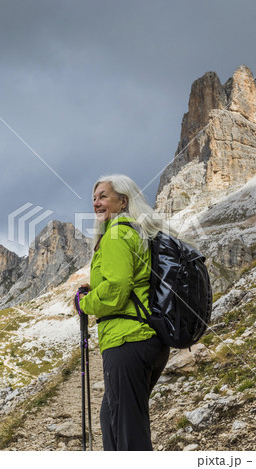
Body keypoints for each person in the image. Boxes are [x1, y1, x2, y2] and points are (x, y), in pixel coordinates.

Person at [76, 174, 174, 451]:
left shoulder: (117, 233)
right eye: (94, 198)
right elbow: (128, 281)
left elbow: (117, 288)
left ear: (123, 201)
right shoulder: (135, 231)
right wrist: (93, 289)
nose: (96, 203)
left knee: (128, 430)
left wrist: (84, 303)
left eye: (103, 196)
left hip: (127, 339)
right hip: (146, 340)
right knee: (112, 418)